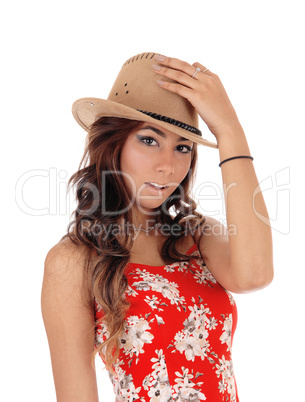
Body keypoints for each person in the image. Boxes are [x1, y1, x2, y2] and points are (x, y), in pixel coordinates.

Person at [41, 52, 273, 402]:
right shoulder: (74, 260)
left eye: (182, 147)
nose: (167, 166)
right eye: (149, 140)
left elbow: (255, 275)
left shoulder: (198, 236)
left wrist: (229, 129)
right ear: (113, 143)